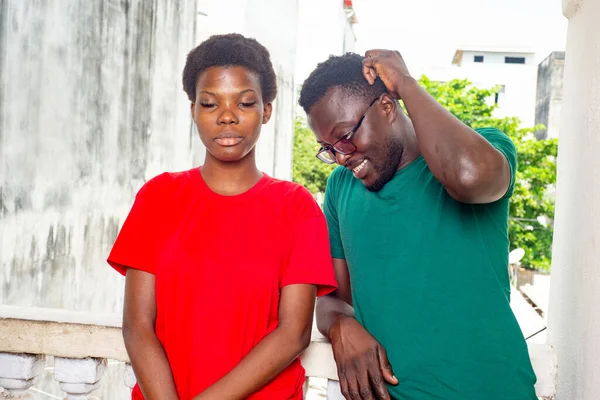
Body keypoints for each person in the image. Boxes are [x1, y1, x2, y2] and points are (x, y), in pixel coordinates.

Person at [107, 33, 337, 400]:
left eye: (244, 103)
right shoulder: (158, 198)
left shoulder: (296, 208)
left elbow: (294, 333)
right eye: (210, 103)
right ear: (193, 110)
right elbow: (138, 326)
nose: (227, 116)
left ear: (266, 111)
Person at [298, 50, 537, 400]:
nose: (341, 156)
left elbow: (469, 178)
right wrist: (340, 326)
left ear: (387, 106)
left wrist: (407, 85)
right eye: (328, 148)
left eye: (345, 136)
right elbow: (332, 298)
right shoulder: (340, 188)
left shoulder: (486, 147)